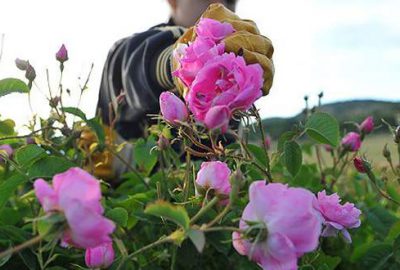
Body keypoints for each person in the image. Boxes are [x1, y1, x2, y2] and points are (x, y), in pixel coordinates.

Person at [93, 0, 274, 179]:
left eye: (231, 1)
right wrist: (181, 61)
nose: (221, 6)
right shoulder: (130, 49)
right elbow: (132, 66)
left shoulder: (232, 62)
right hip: (130, 198)